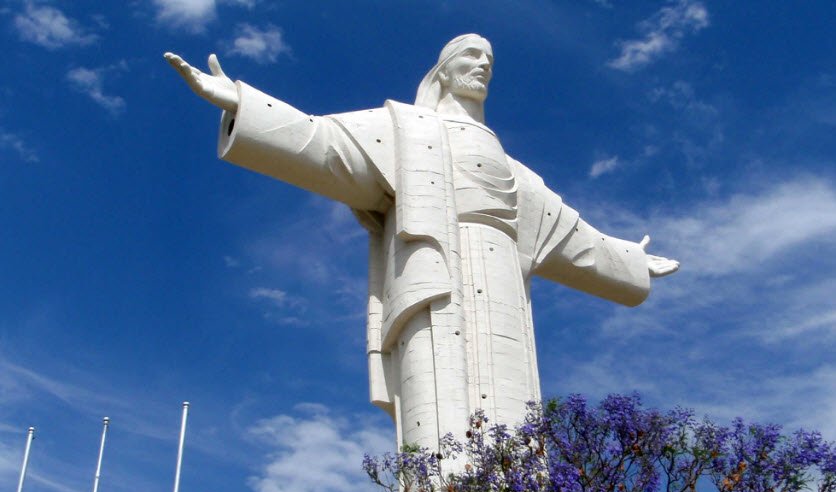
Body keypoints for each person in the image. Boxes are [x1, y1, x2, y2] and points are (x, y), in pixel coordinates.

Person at [165, 34, 679, 454]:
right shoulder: (407, 128)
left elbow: (573, 237)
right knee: (443, 428)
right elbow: (324, 144)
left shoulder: (516, 172)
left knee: (517, 434)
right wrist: (244, 104)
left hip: (503, 289)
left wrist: (631, 260)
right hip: (436, 284)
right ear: (443, 70)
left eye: (490, 61)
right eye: (471, 56)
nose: (483, 65)